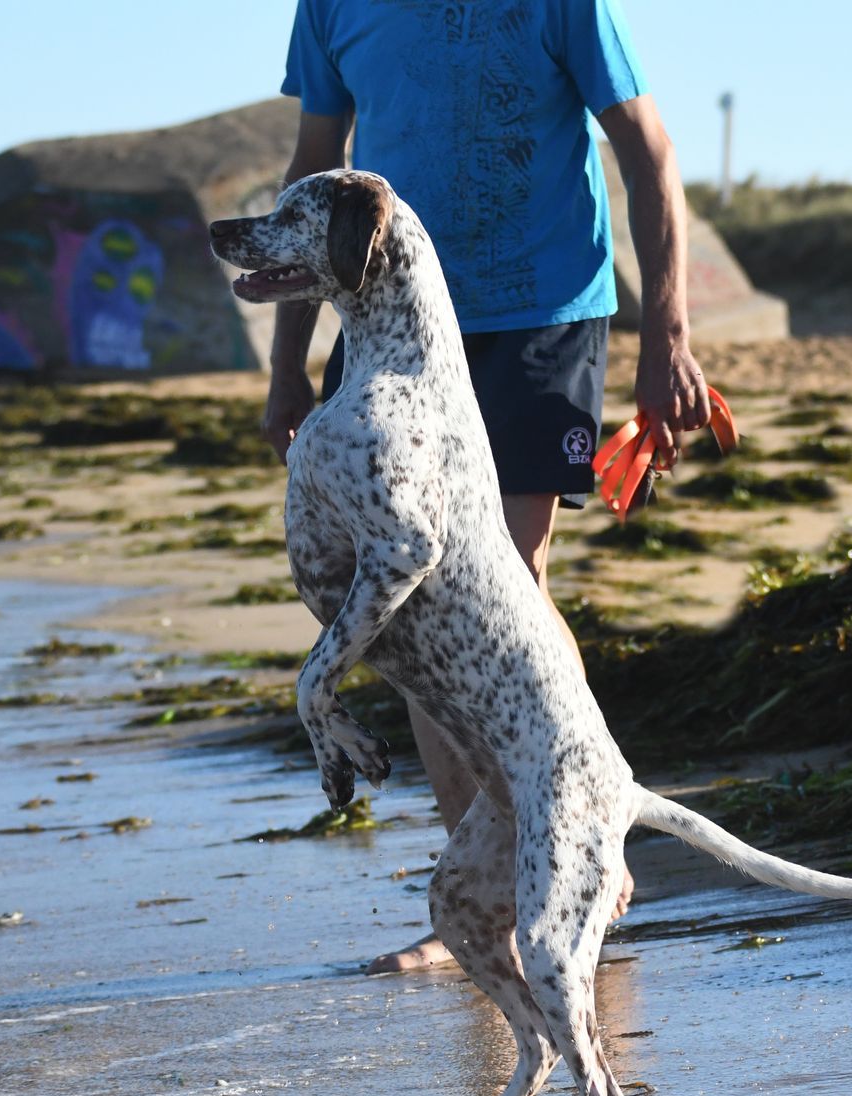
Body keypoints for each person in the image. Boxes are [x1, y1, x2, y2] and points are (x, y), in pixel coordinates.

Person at [267, 0, 712, 972]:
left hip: (540, 310)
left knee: (504, 580)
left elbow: (647, 148)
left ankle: (574, 844)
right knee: (418, 615)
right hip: (391, 325)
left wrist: (666, 338)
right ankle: (484, 888)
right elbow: (314, 176)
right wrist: (288, 362)